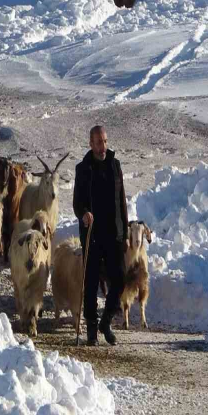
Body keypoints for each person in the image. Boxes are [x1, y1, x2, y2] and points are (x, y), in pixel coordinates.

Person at [72, 125, 129, 346]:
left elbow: (121, 200)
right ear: (90, 143)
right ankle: (92, 329)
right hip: (92, 234)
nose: (102, 146)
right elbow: (77, 202)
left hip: (113, 233)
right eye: (98, 142)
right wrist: (83, 213)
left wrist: (124, 232)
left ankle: (106, 321)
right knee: (91, 281)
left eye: (104, 141)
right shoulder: (83, 169)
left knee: (120, 279)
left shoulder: (115, 165)